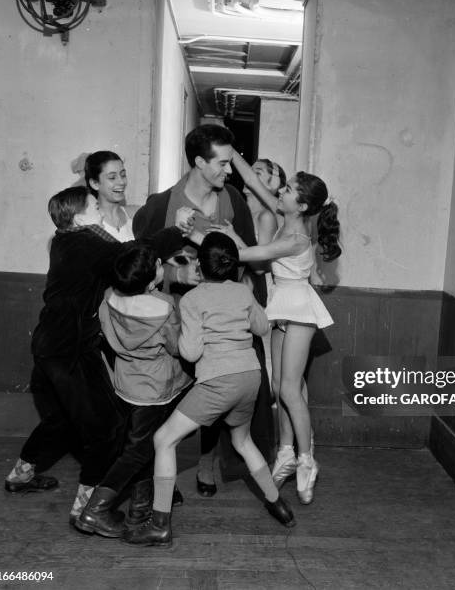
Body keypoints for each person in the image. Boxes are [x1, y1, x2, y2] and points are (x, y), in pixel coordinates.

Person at [4, 186, 190, 523]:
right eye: (93, 205)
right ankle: (87, 509)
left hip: (52, 345)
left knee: (62, 417)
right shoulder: (86, 243)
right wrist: (177, 230)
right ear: (78, 217)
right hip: (69, 350)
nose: (100, 208)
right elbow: (136, 253)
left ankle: (20, 475)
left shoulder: (65, 240)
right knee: (108, 426)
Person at [122, 232, 295, 547]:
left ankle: (160, 524)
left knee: (163, 439)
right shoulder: (243, 293)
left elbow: (189, 353)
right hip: (250, 377)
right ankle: (277, 503)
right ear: (232, 266)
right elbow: (261, 327)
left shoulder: (192, 299)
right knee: (242, 441)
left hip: (218, 381)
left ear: (200, 268)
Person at [132, 124, 275, 496]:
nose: (230, 172)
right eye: (223, 163)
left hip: (223, 324)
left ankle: (209, 463)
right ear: (198, 161)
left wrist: (236, 289)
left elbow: (253, 266)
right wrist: (180, 273)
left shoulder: (234, 202)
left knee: (220, 392)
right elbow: (139, 265)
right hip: (179, 316)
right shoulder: (162, 205)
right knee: (168, 396)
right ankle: (161, 474)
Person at [207, 150, 341, 505]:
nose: (280, 191)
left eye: (288, 190)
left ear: (301, 205)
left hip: (298, 308)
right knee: (282, 389)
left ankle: (307, 460)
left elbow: (249, 255)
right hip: (282, 305)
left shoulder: (296, 239)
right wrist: (229, 150)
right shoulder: (287, 218)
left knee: (290, 390)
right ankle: (284, 452)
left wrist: (223, 234)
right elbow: (251, 180)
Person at [74, 244, 193, 538]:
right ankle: (95, 510)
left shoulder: (108, 299)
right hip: (155, 388)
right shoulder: (164, 307)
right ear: (151, 279)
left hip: (125, 384)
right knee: (137, 452)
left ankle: (139, 509)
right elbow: (178, 348)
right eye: (157, 264)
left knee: (143, 444)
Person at [85, 151, 136, 242]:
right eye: (112, 177)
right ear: (94, 183)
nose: (121, 182)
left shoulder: (135, 215)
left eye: (123, 175)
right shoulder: (89, 223)